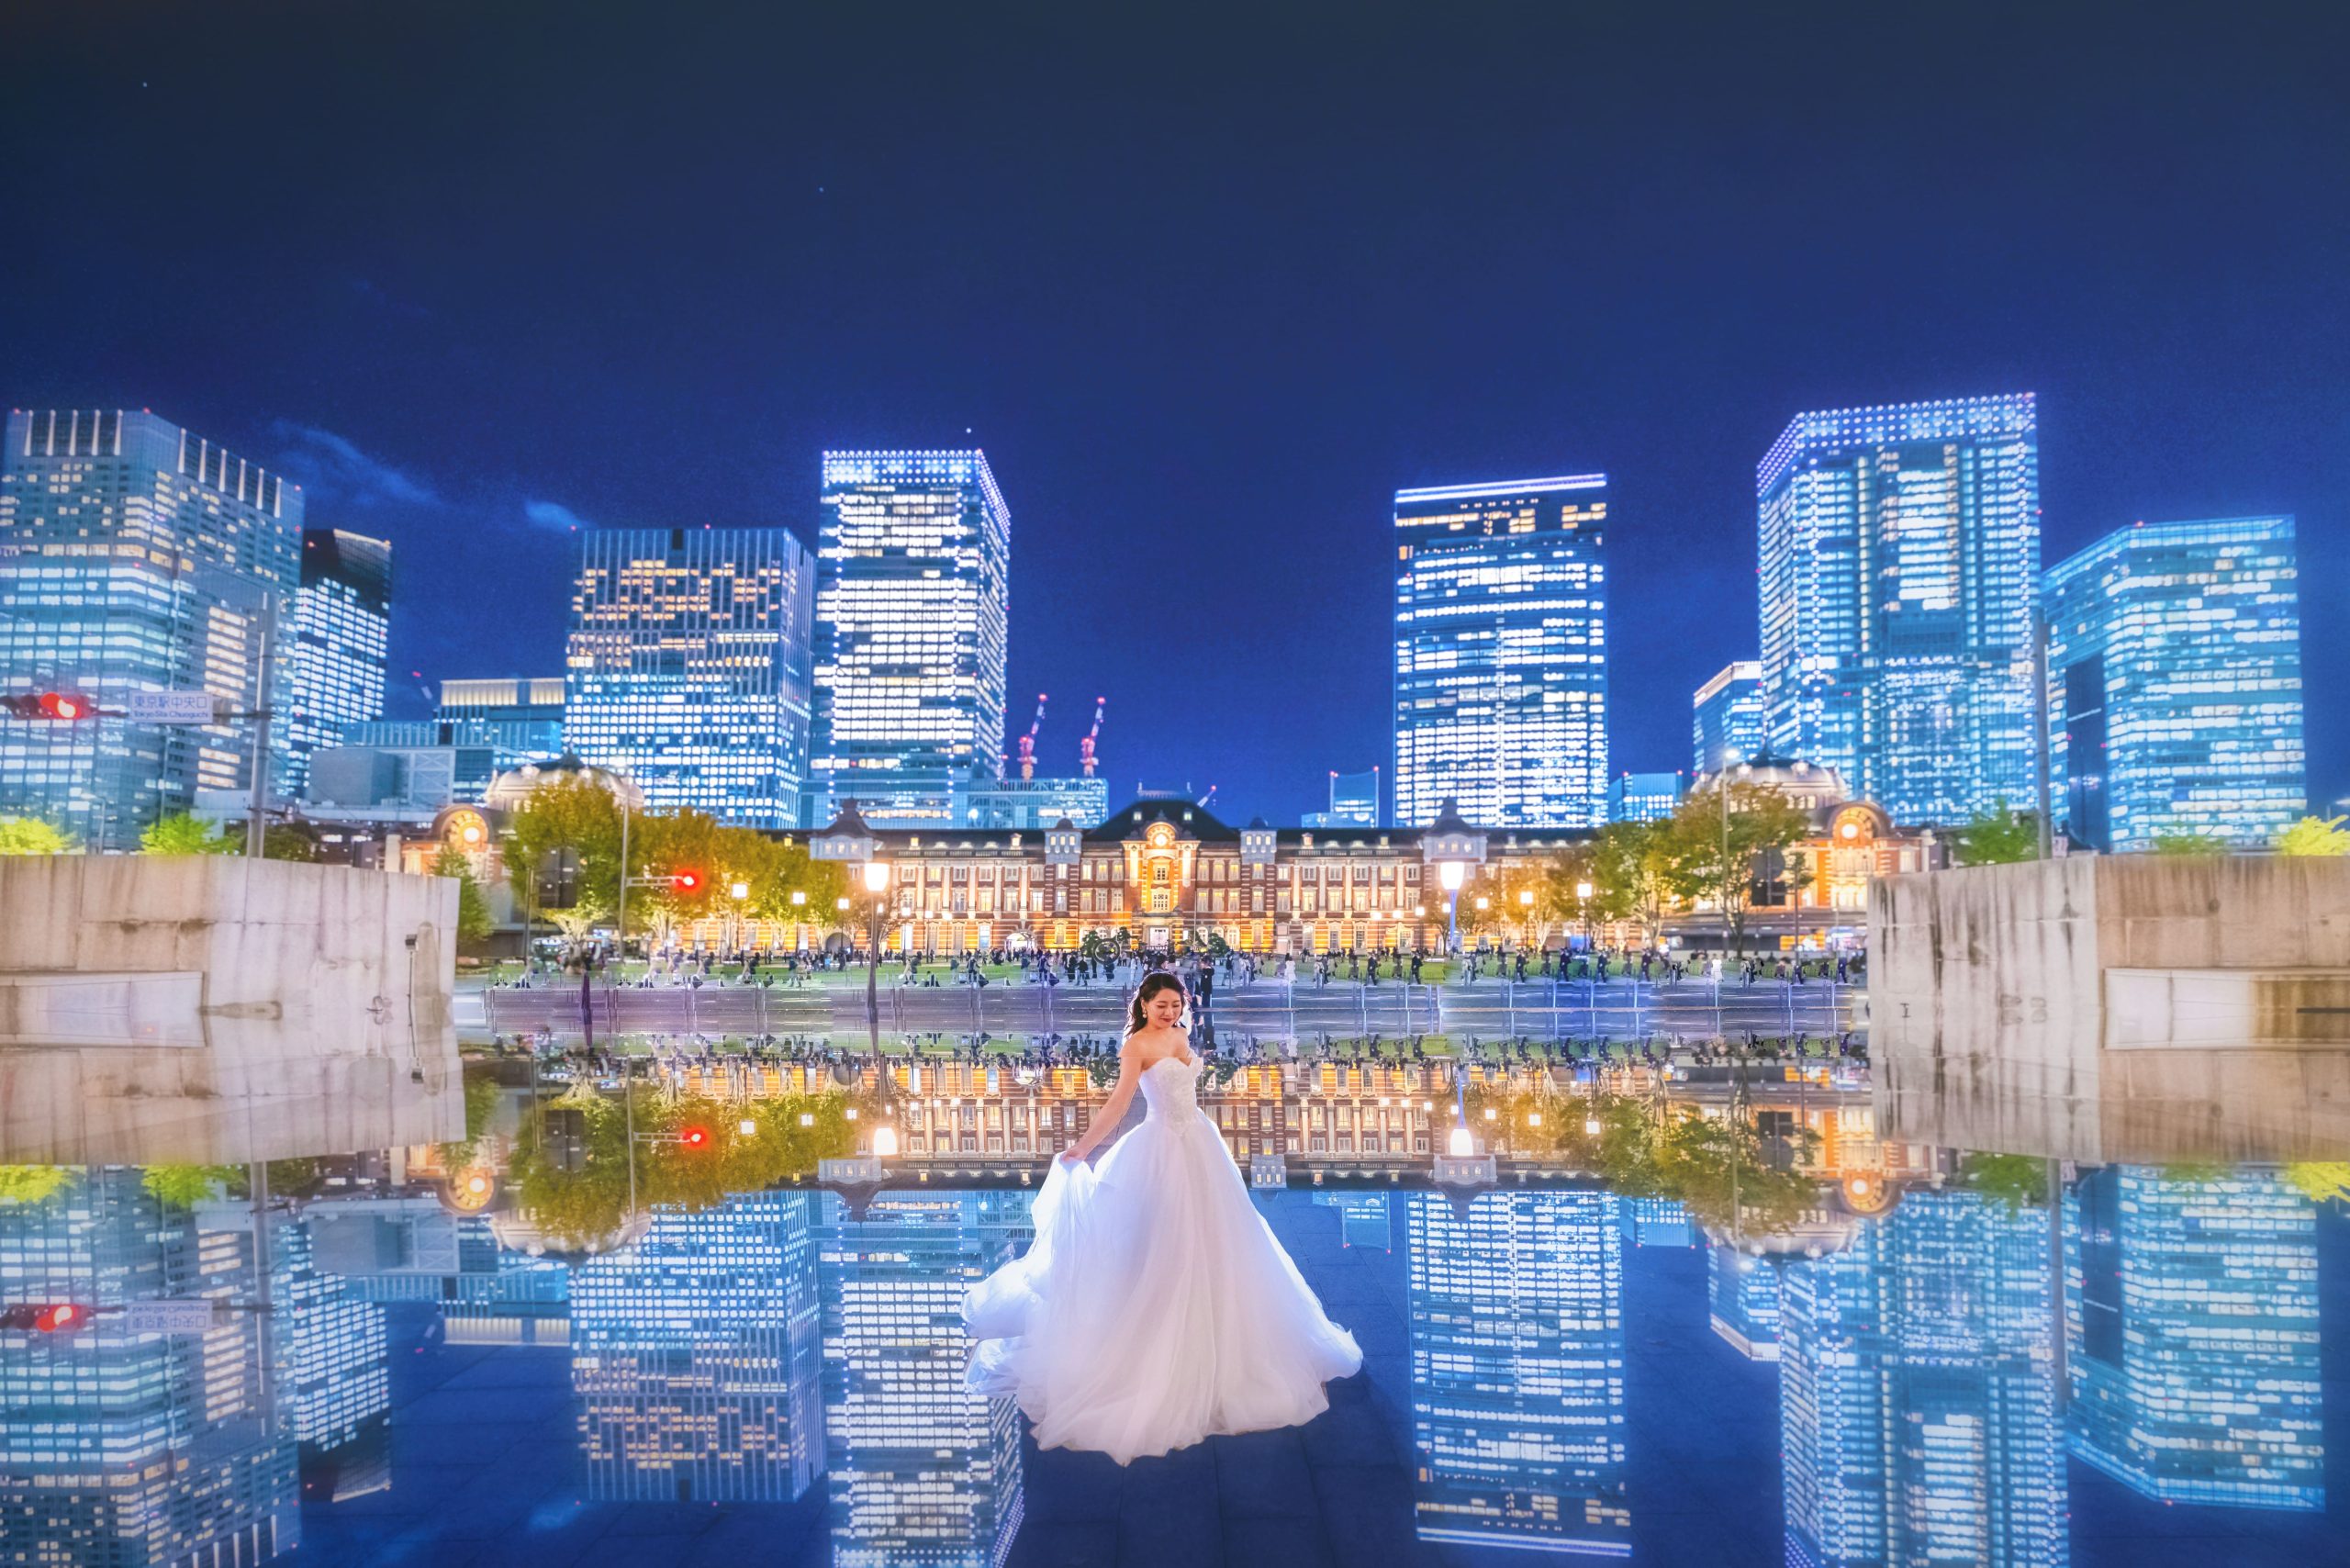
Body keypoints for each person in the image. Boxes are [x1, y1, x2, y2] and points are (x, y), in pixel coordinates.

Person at [962, 973, 1361, 1463]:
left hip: (1199, 1144)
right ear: (1144, 1004)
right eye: (1162, 1005)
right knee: (1163, 1246)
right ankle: (1159, 1349)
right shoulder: (1137, 1044)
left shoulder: (1181, 1035)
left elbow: (1187, 1088)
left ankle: (1232, 1343)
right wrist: (1084, 1147)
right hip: (1160, 1151)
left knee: (1224, 1242)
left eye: (1176, 1005)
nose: (1170, 1013)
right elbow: (1120, 1101)